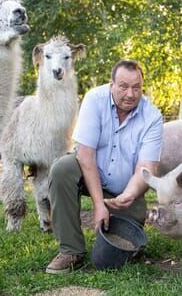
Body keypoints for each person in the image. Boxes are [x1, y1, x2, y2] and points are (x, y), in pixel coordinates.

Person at [45, 59, 163, 274]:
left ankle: (127, 221)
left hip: (124, 187)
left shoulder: (152, 117)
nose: (130, 94)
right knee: (62, 169)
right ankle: (71, 251)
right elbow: (85, 155)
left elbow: (147, 168)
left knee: (130, 250)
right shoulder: (94, 100)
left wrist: (129, 194)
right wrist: (99, 204)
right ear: (112, 85)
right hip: (89, 173)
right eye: (123, 86)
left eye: (136, 87)